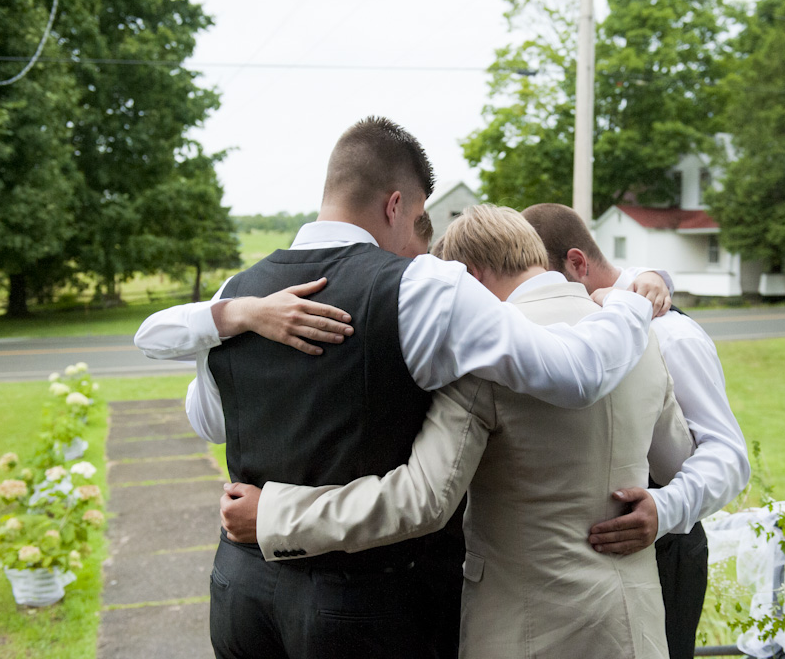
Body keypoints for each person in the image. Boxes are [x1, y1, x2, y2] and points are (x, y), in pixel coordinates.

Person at [134, 116, 670, 659]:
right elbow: (575, 373)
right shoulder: (423, 288)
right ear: (395, 206)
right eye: (417, 222)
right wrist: (628, 299)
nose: (415, 247)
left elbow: (210, 421)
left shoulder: (239, 293)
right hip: (359, 605)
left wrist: (235, 323)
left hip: (240, 594)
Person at [220, 204, 697, 659]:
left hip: (525, 631)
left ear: (468, 279)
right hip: (635, 625)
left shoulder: (484, 361)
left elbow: (422, 499)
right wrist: (663, 508)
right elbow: (679, 461)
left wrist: (275, 514)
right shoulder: (639, 336)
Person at [522, 202, 751, 659]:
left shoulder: (671, 335)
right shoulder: (584, 326)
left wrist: (663, 510)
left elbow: (728, 456)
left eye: (548, 286)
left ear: (577, 264)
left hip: (666, 550)